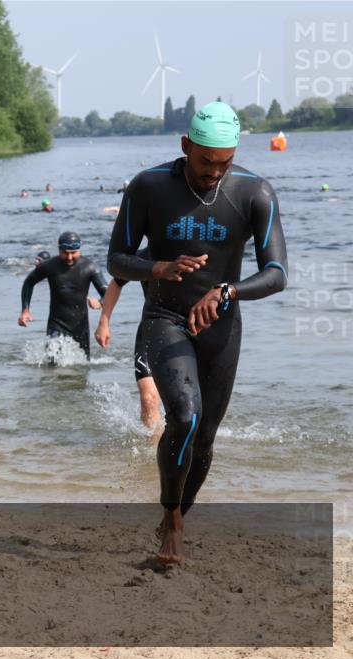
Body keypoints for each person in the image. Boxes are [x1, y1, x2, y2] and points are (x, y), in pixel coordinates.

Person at [107, 101, 288, 564]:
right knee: (183, 417)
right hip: (165, 318)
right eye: (205, 160)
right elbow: (117, 260)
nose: (214, 172)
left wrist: (228, 291)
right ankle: (173, 521)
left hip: (221, 325)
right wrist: (160, 267)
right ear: (185, 145)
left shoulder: (255, 193)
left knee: (205, 435)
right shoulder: (148, 187)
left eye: (224, 162)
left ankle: (179, 511)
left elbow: (276, 273)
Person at [94, 248, 162, 431]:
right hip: (151, 328)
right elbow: (116, 282)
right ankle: (153, 453)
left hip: (189, 331)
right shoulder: (142, 257)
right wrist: (104, 321)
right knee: (148, 398)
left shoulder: (194, 250)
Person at [18, 231, 106, 360]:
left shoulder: (90, 267)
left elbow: (107, 293)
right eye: (65, 252)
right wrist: (25, 310)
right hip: (56, 323)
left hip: (80, 326)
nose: (69, 257)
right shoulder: (49, 266)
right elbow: (28, 283)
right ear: (59, 250)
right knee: (52, 363)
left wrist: (100, 302)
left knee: (83, 366)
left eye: (73, 253)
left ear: (79, 250)